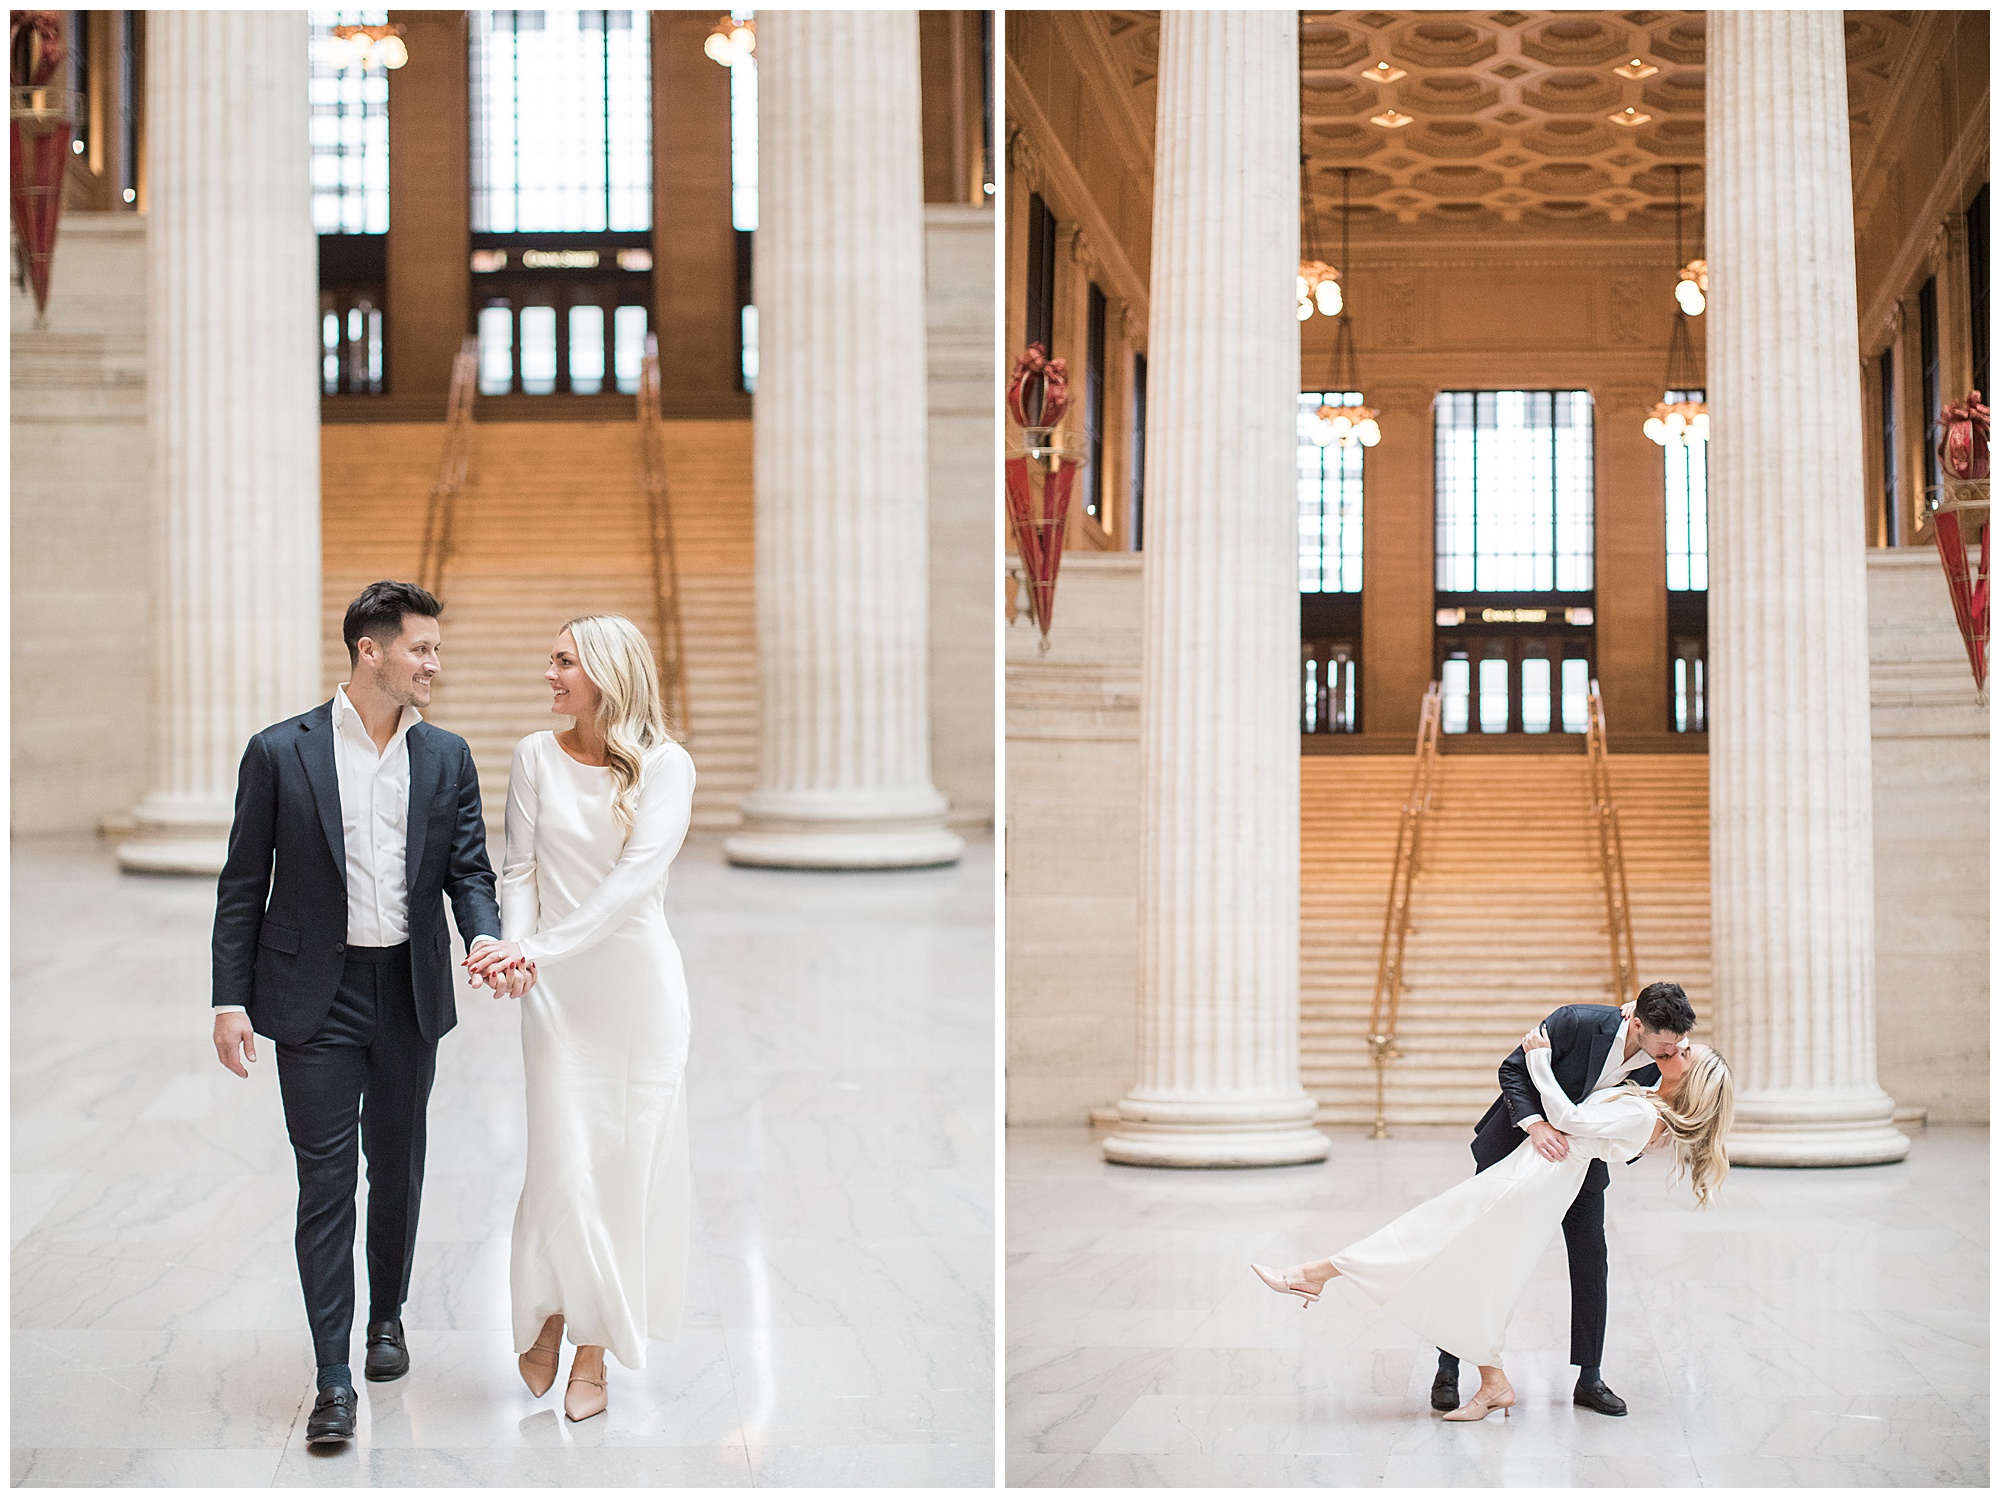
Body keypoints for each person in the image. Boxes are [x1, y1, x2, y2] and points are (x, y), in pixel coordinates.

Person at [211, 581, 530, 1447]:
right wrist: (229, 998)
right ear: (371, 651)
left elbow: (469, 867)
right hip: (314, 995)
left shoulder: (448, 756)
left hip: (409, 992)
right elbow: (244, 883)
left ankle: (385, 1315)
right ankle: (331, 1378)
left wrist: (485, 938)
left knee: (398, 1167)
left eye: (435, 648)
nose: (435, 663)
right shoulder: (281, 752)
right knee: (325, 1185)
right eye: (422, 648)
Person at [1251, 998, 1732, 1422]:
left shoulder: (1661, 1070)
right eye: (1666, 1047)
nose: (1671, 1053)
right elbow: (1512, 1072)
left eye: (1677, 1050)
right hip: (1523, 1154)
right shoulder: (1578, 1022)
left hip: (1567, 1171)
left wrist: (1608, 1132)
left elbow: (1619, 1127)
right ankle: (1452, 1367)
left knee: (1576, 1261)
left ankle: (1587, 1376)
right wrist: (1535, 1125)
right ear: (1637, 1021)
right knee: (1458, 1249)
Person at [464, 614, 697, 1423]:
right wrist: (516, 950)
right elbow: (518, 867)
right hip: (556, 998)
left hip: (638, 992)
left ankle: (589, 1345)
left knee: (625, 1170)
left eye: (563, 661)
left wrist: (541, 950)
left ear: (603, 671)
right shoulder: (533, 755)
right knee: (563, 1166)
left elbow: (634, 883)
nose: (550, 673)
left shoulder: (669, 767)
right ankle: (552, 1312)